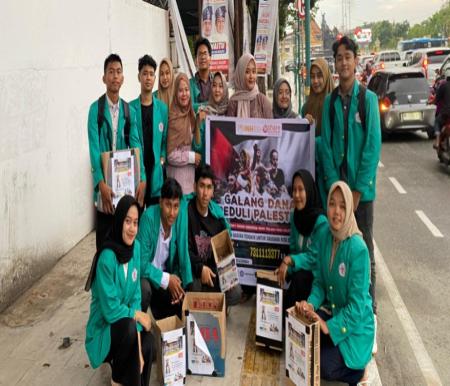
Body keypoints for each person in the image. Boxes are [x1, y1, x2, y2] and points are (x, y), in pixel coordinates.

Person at [320, 36, 381, 321]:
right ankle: (342, 303)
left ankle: (369, 307)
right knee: (337, 247)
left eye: (348, 57)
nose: (343, 62)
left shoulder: (367, 100)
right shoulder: (330, 102)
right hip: (337, 194)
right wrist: (335, 189)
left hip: (361, 195)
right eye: (339, 58)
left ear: (356, 61)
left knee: (363, 247)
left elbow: (371, 149)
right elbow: (327, 148)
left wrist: (356, 193)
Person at [296, 181, 373, 386]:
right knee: (302, 341)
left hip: (354, 326)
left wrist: (328, 326)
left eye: (343, 206)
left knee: (323, 366)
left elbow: (357, 308)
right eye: (332, 204)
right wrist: (311, 304)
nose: (336, 212)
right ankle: (330, 342)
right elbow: (320, 282)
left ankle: (359, 372)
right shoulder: (325, 236)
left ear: (349, 210)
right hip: (333, 311)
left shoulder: (358, 249)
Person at [85, 195, 154, 386]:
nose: (132, 228)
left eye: (136, 223)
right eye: (127, 221)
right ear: (118, 221)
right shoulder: (106, 258)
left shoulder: (136, 249)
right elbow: (111, 311)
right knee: (130, 327)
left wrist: (139, 350)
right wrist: (138, 316)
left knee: (147, 343)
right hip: (103, 331)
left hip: (125, 328)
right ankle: (117, 379)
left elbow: (135, 299)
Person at [87, 54, 146, 251]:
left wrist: (143, 179)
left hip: (125, 188)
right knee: (104, 246)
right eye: (110, 72)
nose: (115, 76)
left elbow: (138, 148)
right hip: (105, 190)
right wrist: (100, 183)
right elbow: (94, 150)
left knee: (125, 243)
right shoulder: (95, 110)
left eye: (118, 72)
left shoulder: (130, 112)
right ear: (103, 78)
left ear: (123, 78)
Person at [182, 164, 242, 306]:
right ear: (195, 186)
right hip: (194, 271)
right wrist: (200, 268)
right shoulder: (186, 212)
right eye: (202, 186)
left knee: (236, 293)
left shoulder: (218, 217)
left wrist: (229, 274)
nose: (205, 193)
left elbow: (224, 255)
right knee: (194, 288)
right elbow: (184, 250)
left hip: (213, 272)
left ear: (213, 191)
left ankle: (217, 306)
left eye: (209, 187)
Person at [137, 178, 192, 320]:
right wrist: (168, 280)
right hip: (149, 277)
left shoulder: (179, 220)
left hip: (165, 278)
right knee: (144, 288)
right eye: (168, 205)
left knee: (180, 303)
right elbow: (140, 264)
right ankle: (139, 324)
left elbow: (183, 255)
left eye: (176, 206)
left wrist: (184, 288)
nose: (172, 213)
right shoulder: (148, 218)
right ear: (160, 202)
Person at [275, 170, 328, 310]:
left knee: (299, 278)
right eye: (294, 190)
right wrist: (286, 270)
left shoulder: (321, 222)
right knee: (283, 274)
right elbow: (293, 249)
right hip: (300, 274)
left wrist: (290, 261)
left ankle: (287, 318)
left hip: (317, 279)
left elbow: (314, 258)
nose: (297, 195)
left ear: (309, 191)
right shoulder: (295, 216)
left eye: (301, 190)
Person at [130, 55, 168, 207]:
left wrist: (162, 159)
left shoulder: (162, 109)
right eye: (145, 73)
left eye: (152, 74)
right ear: (139, 76)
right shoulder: (130, 108)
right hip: (137, 175)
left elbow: (164, 140)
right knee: (136, 217)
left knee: (154, 219)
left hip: (156, 174)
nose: (148, 78)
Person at [302, 57, 335, 207]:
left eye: (319, 76)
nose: (315, 81)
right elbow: (300, 142)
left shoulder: (336, 104)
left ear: (327, 76)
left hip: (331, 174)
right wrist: (303, 125)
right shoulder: (306, 107)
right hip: (311, 175)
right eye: (312, 76)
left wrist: (316, 141)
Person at [166, 73, 202, 195]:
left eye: (186, 90)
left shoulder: (191, 114)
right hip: (176, 185)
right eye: (180, 90)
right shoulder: (172, 117)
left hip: (190, 184)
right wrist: (192, 157)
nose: (184, 94)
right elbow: (170, 155)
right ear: (175, 94)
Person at [227, 53, 273, 118]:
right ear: (240, 74)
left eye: (254, 72)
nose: (251, 76)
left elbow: (270, 126)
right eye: (247, 72)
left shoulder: (263, 101)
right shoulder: (233, 103)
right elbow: (229, 127)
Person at [190, 38, 214, 113]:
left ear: (210, 59)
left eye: (205, 53)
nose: (203, 57)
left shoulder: (217, 81)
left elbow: (222, 103)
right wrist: (210, 104)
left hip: (215, 124)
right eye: (200, 54)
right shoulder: (189, 84)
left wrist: (199, 106)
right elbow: (190, 107)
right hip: (197, 124)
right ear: (195, 61)